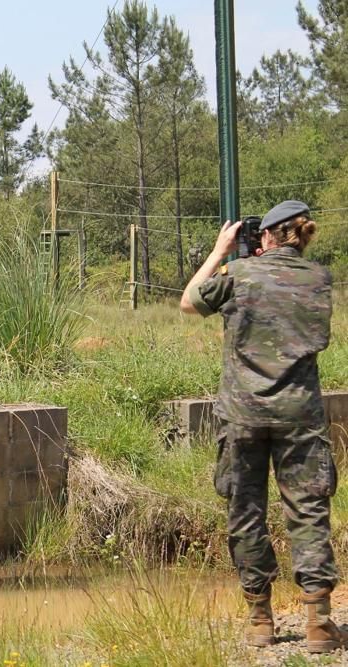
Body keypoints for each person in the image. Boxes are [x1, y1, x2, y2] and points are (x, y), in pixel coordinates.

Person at [180, 201, 343, 653]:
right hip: (300, 414)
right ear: (302, 236)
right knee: (308, 510)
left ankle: (259, 620)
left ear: (266, 236)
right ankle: (318, 624)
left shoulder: (239, 276)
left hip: (243, 414)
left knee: (245, 511)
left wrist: (219, 251)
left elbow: (188, 303)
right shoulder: (319, 279)